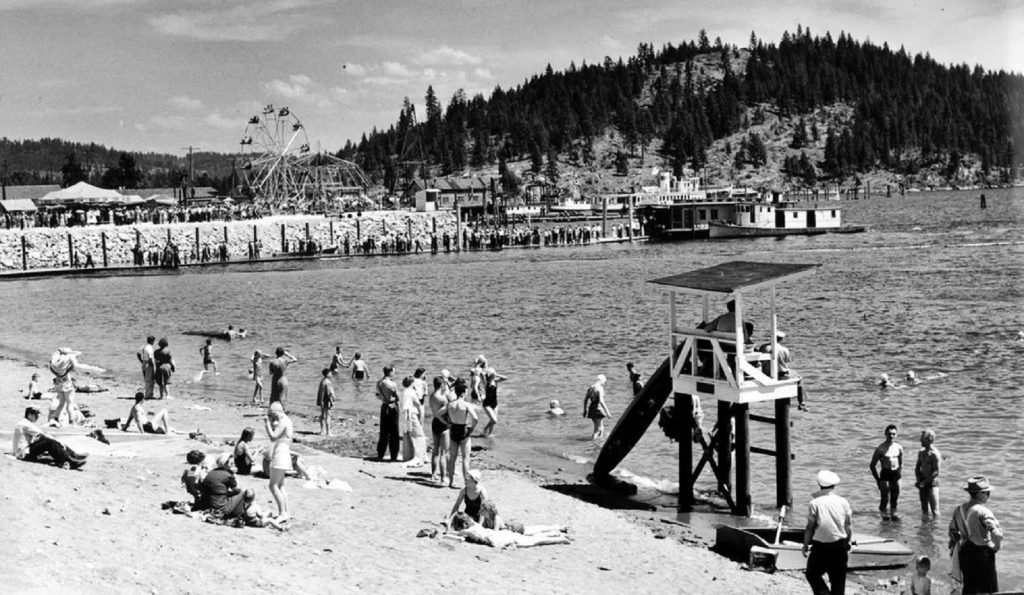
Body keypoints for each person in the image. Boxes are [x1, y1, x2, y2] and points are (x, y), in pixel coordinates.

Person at [948, 476, 1003, 594]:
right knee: (988, 589)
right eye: (987, 493)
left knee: (969, 586)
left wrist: (953, 551)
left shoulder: (959, 509)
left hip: (965, 552)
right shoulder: (983, 511)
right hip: (983, 554)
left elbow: (952, 532)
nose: (988, 496)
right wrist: (996, 546)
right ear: (980, 494)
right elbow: (997, 534)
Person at [802, 470, 852, 595]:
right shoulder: (843, 502)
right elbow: (848, 526)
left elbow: (810, 527)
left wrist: (805, 545)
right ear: (834, 486)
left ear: (819, 484)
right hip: (839, 544)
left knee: (812, 574)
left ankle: (823, 593)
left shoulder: (814, 503)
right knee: (838, 581)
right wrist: (848, 541)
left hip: (820, 546)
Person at [12, 406, 88, 469]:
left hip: (24, 451)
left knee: (48, 441)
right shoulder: (25, 424)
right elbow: (43, 434)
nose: (38, 417)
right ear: (29, 415)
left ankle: (73, 455)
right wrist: (58, 442)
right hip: (24, 454)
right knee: (49, 442)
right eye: (36, 415)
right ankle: (71, 460)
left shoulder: (25, 422)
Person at [448, 512, 571, 549]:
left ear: (463, 524)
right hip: (500, 535)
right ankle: (554, 533)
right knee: (531, 538)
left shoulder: (469, 530)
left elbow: (457, 534)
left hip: (500, 538)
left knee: (533, 541)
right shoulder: (474, 524)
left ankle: (559, 538)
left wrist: (447, 530)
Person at [48, 347, 104, 427]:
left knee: (61, 403)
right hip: (67, 385)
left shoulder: (57, 365)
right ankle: (72, 421)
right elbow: (77, 367)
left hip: (58, 384)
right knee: (70, 404)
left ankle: (56, 419)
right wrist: (95, 369)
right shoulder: (67, 364)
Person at [200, 453, 256, 520]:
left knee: (232, 494)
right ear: (225, 464)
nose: (233, 465)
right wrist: (233, 475)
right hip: (221, 507)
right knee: (243, 493)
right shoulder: (228, 475)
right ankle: (240, 515)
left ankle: (238, 514)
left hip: (208, 504)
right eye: (231, 463)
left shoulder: (211, 472)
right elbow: (237, 490)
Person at [445, 378, 479, 487]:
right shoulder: (466, 404)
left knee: (452, 457)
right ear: (464, 393)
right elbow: (475, 418)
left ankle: (450, 481)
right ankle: (466, 483)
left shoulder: (450, 404)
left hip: (453, 428)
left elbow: (440, 414)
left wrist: (448, 423)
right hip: (463, 429)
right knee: (465, 458)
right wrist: (472, 428)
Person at [265, 401, 293, 522]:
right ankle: (286, 511)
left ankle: (282, 513)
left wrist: (267, 424)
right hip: (284, 453)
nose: (273, 418)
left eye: (273, 415)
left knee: (273, 485)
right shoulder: (287, 420)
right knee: (281, 485)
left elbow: (273, 437)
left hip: (280, 454)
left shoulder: (283, 421)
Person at [870, 424, 905, 520]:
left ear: (896, 435)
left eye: (894, 434)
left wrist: (899, 474)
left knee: (895, 498)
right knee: (884, 499)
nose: (891, 436)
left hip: (896, 474)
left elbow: (901, 463)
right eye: (889, 434)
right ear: (885, 434)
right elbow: (872, 465)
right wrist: (878, 480)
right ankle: (883, 516)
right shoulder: (880, 448)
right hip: (885, 474)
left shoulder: (899, 447)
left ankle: (894, 514)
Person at [428, 376, 452, 484]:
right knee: (444, 452)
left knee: (435, 451)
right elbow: (446, 409)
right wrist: (447, 423)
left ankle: (433, 474)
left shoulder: (431, 396)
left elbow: (435, 412)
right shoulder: (442, 399)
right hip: (442, 424)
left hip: (435, 423)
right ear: (441, 385)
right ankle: (443, 477)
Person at [398, 376, 426, 466]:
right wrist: (421, 416)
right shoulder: (411, 391)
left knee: (407, 435)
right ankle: (419, 457)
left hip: (404, 414)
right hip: (410, 414)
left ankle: (407, 456)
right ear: (411, 383)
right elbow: (418, 403)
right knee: (418, 435)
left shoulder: (403, 392)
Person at [375, 365, 401, 461]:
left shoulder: (379, 383)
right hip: (392, 406)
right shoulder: (392, 384)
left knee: (383, 431)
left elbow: (378, 395)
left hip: (384, 406)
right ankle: (393, 455)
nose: (394, 373)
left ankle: (380, 453)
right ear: (390, 372)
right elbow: (398, 398)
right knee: (394, 431)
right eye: (393, 371)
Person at [914, 428, 941, 519]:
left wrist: (924, 482)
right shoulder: (921, 452)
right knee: (924, 509)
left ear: (929, 439)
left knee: (935, 510)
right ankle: (925, 529)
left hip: (932, 484)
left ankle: (935, 530)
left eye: (923, 438)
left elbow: (936, 471)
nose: (920, 440)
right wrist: (918, 480)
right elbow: (917, 467)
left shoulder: (935, 453)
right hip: (922, 482)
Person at [481, 366, 508, 437]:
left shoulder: (495, 381)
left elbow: (505, 378)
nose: (494, 375)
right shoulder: (486, 382)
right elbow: (481, 374)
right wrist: (485, 371)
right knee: (494, 420)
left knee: (492, 422)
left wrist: (497, 374)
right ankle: (485, 428)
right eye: (493, 374)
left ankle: (488, 435)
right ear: (490, 375)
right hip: (487, 404)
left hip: (495, 403)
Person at [582, 375, 611, 440]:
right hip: (598, 410)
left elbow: (585, 400)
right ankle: (592, 443)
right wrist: (607, 412)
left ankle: (600, 441)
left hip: (591, 410)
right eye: (604, 382)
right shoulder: (599, 388)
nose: (604, 383)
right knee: (597, 430)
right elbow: (601, 401)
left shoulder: (590, 388)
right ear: (602, 380)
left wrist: (585, 411)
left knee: (601, 427)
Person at [316, 368, 335, 436]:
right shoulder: (327, 382)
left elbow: (321, 392)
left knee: (323, 415)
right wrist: (332, 400)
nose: (331, 374)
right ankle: (328, 432)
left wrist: (320, 401)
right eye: (330, 373)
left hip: (323, 400)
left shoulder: (322, 381)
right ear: (327, 374)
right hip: (326, 401)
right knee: (328, 416)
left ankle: (322, 430)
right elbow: (329, 393)